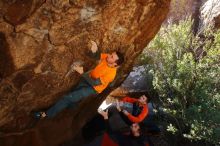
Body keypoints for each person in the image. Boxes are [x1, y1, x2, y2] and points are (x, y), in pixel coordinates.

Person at [34, 41, 124, 119]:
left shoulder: (111, 74)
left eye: (112, 57)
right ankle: (72, 106)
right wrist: (94, 50)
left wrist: (82, 73)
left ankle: (46, 114)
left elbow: (94, 83)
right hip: (88, 78)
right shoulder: (107, 58)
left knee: (67, 98)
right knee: (75, 92)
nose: (109, 55)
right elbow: (96, 56)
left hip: (93, 88)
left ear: (115, 64)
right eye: (111, 54)